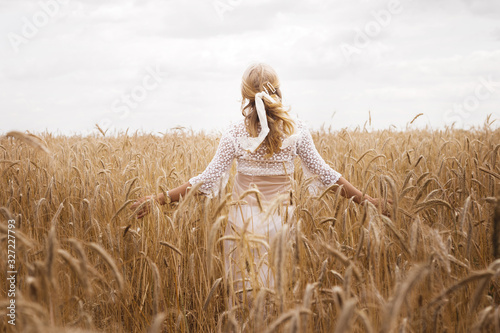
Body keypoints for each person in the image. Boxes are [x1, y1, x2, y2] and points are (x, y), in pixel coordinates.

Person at [130, 62, 390, 305]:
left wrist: (159, 198)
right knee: (278, 294)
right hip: (280, 221)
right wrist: (369, 201)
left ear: (245, 97)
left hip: (241, 223)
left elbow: (207, 180)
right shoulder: (296, 129)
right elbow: (326, 175)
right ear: (278, 91)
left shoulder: (235, 132)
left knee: (244, 293)